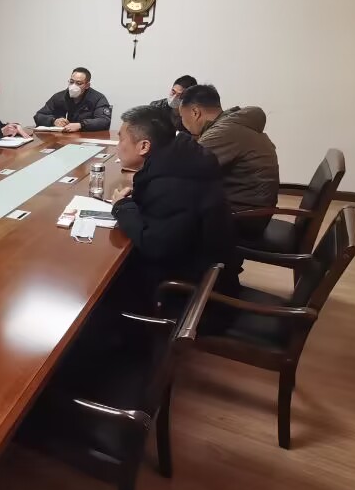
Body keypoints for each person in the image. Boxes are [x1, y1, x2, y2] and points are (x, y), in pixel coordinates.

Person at [109, 105, 239, 309]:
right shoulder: (182, 158)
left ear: (144, 146)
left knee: (102, 280)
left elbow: (154, 245)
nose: (118, 146)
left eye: (121, 139)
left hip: (185, 291)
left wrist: (122, 206)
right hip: (200, 267)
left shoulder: (170, 185)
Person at [178, 84, 280, 238]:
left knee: (168, 209)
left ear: (195, 112)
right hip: (254, 211)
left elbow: (183, 168)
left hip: (244, 219)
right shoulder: (233, 124)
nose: (182, 122)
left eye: (182, 116)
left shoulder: (222, 132)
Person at [32, 67, 112, 132]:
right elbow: (38, 116)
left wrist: (81, 125)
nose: (73, 86)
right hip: (60, 139)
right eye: (71, 82)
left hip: (86, 139)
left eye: (79, 83)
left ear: (87, 85)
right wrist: (53, 121)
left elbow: (104, 120)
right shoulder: (59, 97)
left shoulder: (98, 98)